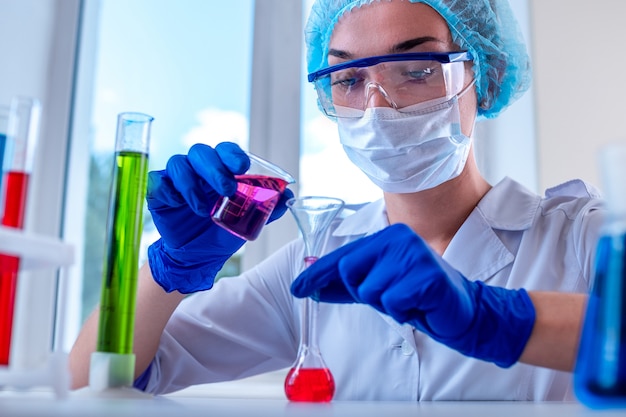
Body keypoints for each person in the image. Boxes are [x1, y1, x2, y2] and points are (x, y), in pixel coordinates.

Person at [69, 0, 604, 401]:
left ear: (482, 79)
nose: (378, 106)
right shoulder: (318, 262)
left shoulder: (579, 236)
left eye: (416, 70)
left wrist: (495, 319)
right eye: (348, 78)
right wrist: (169, 270)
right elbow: (88, 382)